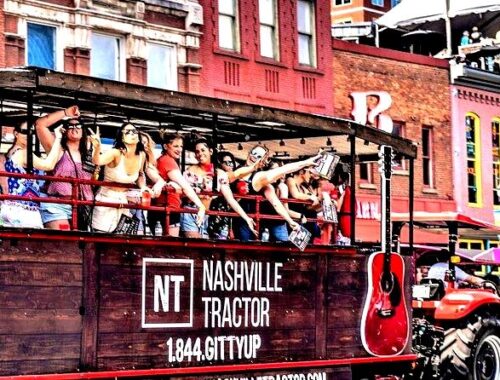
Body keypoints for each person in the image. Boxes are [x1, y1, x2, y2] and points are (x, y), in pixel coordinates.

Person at [233, 144, 322, 242]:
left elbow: (276, 202)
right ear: (249, 153)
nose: (254, 157)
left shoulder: (260, 178)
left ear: (262, 162)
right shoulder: (236, 170)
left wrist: (290, 221)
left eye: (259, 156)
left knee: (246, 249)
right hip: (234, 217)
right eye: (254, 153)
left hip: (249, 221)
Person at [182, 137, 256, 239]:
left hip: (208, 215)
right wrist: (201, 188)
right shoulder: (191, 170)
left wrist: (246, 218)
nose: (200, 154)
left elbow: (230, 198)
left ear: (211, 151)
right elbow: (185, 195)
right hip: (190, 212)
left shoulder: (219, 173)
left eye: (203, 150)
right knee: (195, 245)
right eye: (197, 151)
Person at [36, 106, 94, 230]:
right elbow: (40, 125)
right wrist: (66, 113)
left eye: (78, 125)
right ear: (64, 130)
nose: (74, 128)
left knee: (81, 245)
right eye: (70, 126)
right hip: (57, 205)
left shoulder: (89, 153)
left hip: (83, 207)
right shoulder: (57, 148)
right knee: (64, 241)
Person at [89, 123, 154, 233]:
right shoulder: (115, 153)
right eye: (127, 132)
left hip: (124, 201)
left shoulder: (142, 155)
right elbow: (97, 161)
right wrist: (97, 148)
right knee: (100, 239)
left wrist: (143, 187)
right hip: (106, 199)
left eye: (134, 131)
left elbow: (140, 174)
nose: (132, 133)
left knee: (121, 242)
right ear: (122, 137)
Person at [0, 122, 64, 228]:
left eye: (32, 132)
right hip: (24, 210)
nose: (29, 135)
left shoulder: (10, 152)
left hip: (9, 207)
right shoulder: (23, 153)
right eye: (25, 132)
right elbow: (49, 165)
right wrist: (57, 138)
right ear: (16, 133)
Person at [148, 133, 205, 237]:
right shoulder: (168, 161)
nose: (179, 149)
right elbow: (185, 186)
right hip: (168, 209)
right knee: (170, 247)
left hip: (163, 208)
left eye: (181, 146)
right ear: (165, 146)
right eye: (176, 146)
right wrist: (200, 206)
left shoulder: (162, 160)